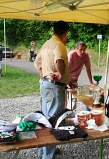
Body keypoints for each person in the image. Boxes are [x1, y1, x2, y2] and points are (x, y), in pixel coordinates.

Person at [34, 20, 73, 159]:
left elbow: (36, 62)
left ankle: (43, 151)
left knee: (45, 120)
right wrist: (61, 75)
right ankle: (47, 156)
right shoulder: (59, 44)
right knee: (53, 122)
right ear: (65, 32)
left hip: (46, 85)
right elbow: (59, 61)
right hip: (55, 88)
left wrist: (44, 76)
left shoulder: (47, 44)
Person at [66, 41, 96, 110]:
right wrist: (67, 82)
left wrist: (91, 82)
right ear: (76, 49)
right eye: (80, 49)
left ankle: (69, 116)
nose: (83, 51)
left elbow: (88, 68)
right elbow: (66, 69)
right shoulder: (71, 54)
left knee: (72, 104)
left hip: (74, 80)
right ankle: (64, 119)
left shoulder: (85, 55)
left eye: (84, 49)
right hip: (66, 79)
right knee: (64, 103)